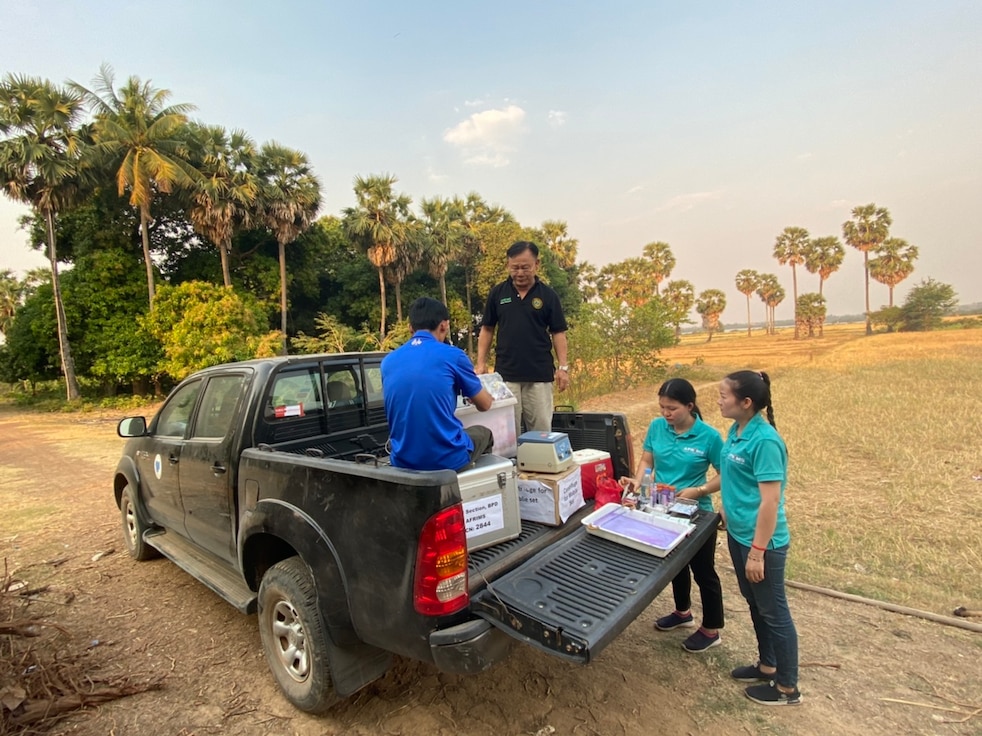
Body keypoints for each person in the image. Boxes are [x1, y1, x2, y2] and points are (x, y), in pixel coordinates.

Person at [620, 378, 725, 653]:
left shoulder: (709, 436)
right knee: (675, 564)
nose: (666, 414)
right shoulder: (657, 427)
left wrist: (698, 490)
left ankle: (712, 629)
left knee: (703, 571)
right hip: (662, 504)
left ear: (690, 406)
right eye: (662, 407)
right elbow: (647, 460)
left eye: (673, 408)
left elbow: (727, 474)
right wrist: (637, 480)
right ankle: (682, 613)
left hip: (697, 511)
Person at [718, 370, 801, 706]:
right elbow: (733, 478)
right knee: (756, 604)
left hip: (763, 544)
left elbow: (770, 501)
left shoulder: (765, 441)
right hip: (739, 535)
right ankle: (767, 665)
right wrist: (725, 508)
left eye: (724, 395)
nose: (719, 400)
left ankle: (787, 688)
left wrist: (758, 553)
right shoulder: (736, 431)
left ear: (746, 402)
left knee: (774, 611)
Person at [381, 297, 494, 472]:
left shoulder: (387, 361)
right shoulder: (453, 356)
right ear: (444, 325)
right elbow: (485, 404)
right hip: (447, 459)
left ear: (411, 328)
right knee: (484, 433)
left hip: (402, 460)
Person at [476, 241, 569, 435]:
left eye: (525, 267)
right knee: (507, 434)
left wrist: (563, 368)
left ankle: (541, 465)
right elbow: (487, 329)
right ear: (508, 265)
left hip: (539, 376)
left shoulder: (548, 296)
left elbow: (558, 332)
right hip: (506, 376)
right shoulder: (498, 294)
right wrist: (481, 363)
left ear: (537, 264)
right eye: (514, 267)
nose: (519, 273)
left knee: (542, 432)